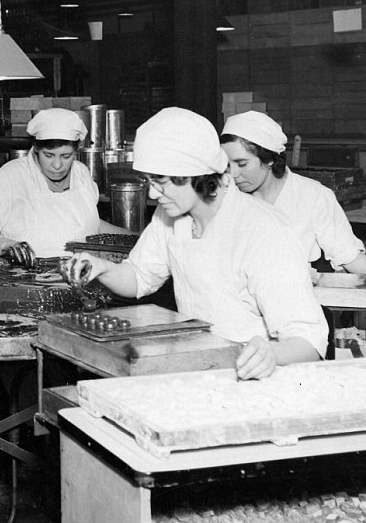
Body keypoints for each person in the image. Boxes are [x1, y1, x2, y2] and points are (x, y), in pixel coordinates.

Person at [62, 107, 328, 380]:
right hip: (198, 368)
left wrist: (270, 354)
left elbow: (308, 341)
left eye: (161, 182)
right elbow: (139, 277)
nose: (153, 193)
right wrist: (102, 268)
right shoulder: (170, 216)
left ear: (198, 175)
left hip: (253, 379)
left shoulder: (263, 232)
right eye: (148, 181)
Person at [220, 110, 366, 294]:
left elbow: (348, 257)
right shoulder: (226, 196)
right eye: (227, 164)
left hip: (299, 303)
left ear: (269, 158)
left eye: (242, 163)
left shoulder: (312, 196)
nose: (233, 174)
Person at [0, 107, 129, 268]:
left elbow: (90, 224)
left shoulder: (81, 173)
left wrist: (135, 236)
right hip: (29, 281)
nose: (57, 165)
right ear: (35, 147)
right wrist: (8, 246)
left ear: (77, 150)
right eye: (48, 155)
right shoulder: (10, 177)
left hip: (83, 276)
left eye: (66, 156)